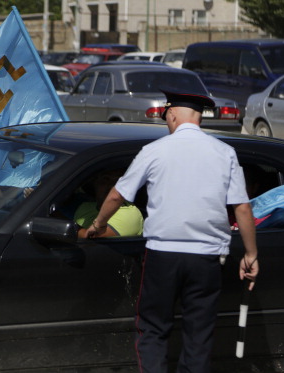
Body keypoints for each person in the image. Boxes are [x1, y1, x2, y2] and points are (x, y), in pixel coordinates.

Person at [85, 89, 259, 373]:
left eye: (166, 116)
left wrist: (98, 225)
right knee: (199, 336)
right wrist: (251, 254)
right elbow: (242, 208)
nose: (166, 121)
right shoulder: (225, 153)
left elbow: (118, 195)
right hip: (207, 259)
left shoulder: (154, 151)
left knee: (153, 328)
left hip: (162, 255)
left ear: (173, 114)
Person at [74, 169, 143, 238]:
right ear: (95, 183)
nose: (111, 185)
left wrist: (66, 226)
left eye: (117, 181)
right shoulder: (85, 207)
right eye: (106, 179)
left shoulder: (129, 214)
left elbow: (92, 238)